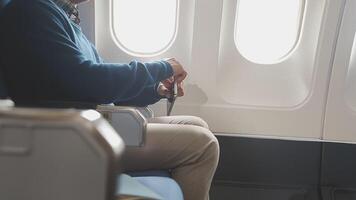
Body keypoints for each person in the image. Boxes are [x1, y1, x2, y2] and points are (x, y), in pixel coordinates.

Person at [0, 0, 220, 199]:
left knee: (196, 124)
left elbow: (104, 88)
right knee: (202, 146)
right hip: (70, 137)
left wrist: (156, 90)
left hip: (90, 124)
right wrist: (161, 67)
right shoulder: (29, 10)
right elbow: (89, 80)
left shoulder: (61, 16)